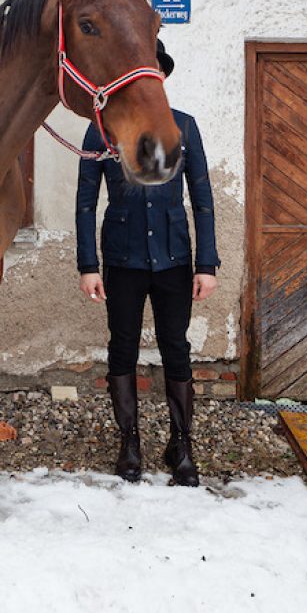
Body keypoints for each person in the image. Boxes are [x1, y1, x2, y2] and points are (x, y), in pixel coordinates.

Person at [75, 40, 218, 486]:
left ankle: (182, 445)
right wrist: (88, 264)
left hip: (175, 259)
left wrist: (207, 264)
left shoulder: (186, 128)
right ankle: (129, 443)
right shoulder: (102, 131)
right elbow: (84, 202)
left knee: (176, 348)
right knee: (123, 347)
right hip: (122, 258)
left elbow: (203, 200)